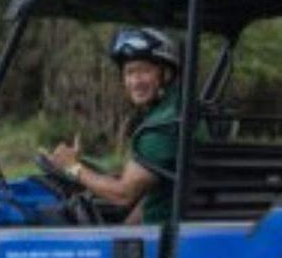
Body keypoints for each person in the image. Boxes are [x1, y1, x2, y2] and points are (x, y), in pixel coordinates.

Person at [46, 26, 190, 225]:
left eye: (144, 71)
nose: (135, 81)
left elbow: (123, 195)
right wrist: (123, 232)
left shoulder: (164, 125)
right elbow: (155, 193)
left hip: (165, 241)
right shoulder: (179, 109)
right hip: (165, 232)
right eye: (130, 73)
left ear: (165, 73)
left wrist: (72, 168)